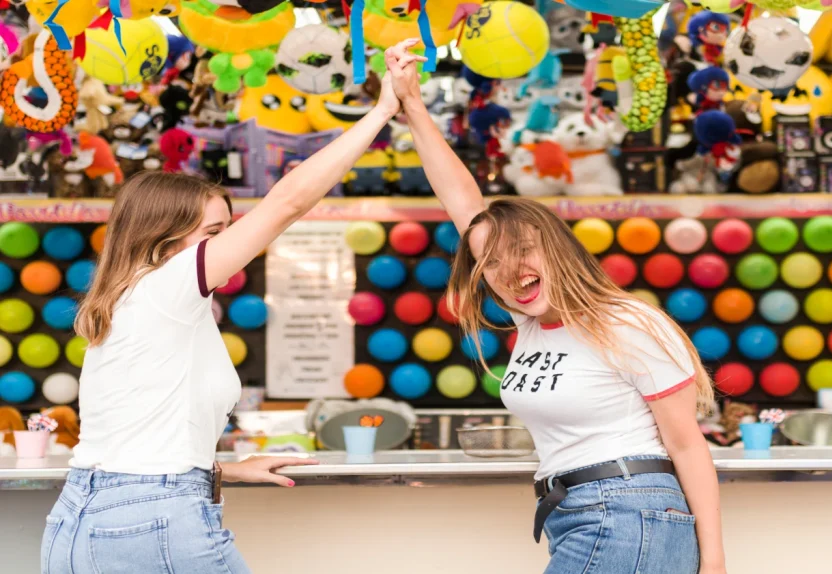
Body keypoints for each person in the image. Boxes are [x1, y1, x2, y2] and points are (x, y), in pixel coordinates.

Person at [39, 41, 427, 574]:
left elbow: (136, 440)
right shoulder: (168, 285)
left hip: (79, 519)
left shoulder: (131, 297)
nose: (227, 246)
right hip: (153, 517)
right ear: (165, 238)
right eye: (214, 235)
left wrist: (220, 471)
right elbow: (288, 202)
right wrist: (384, 109)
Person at [385, 45, 727, 574]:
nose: (509, 269)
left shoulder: (628, 322)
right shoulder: (532, 323)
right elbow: (463, 205)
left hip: (627, 514)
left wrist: (714, 563)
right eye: (491, 262)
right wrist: (411, 103)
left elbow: (687, 447)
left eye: (523, 250)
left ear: (556, 248)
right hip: (581, 515)